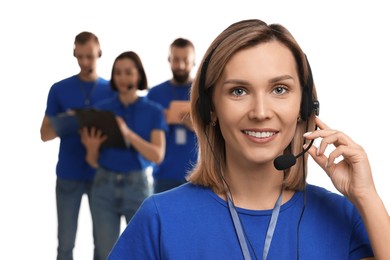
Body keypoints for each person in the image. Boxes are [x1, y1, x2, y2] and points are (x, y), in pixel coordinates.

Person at [107, 19, 390, 259]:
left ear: (305, 107)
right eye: (239, 91)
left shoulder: (344, 216)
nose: (261, 112)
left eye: (279, 89)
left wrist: (367, 197)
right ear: (211, 108)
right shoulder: (159, 219)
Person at [80, 51, 168, 260]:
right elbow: (92, 161)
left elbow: (157, 155)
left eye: (128, 72)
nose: (122, 78)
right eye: (118, 73)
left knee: (144, 253)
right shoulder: (102, 111)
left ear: (139, 75)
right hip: (104, 186)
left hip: (137, 187)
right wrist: (91, 148)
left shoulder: (153, 111)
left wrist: (127, 133)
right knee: (105, 253)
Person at [40, 31, 113, 260]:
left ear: (99, 54)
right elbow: (44, 134)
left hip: (102, 175)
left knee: (104, 246)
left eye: (89, 57)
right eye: (80, 57)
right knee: (65, 244)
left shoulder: (112, 90)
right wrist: (70, 120)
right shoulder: (58, 89)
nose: (85, 63)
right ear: (74, 53)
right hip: (68, 174)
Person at [147, 37, 198, 193]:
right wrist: (160, 118)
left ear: (194, 62)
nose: (181, 65)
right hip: (163, 174)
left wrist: (197, 125)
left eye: (185, 60)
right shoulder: (154, 94)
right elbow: (142, 130)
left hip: (197, 174)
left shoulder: (203, 92)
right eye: (176, 60)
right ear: (169, 60)